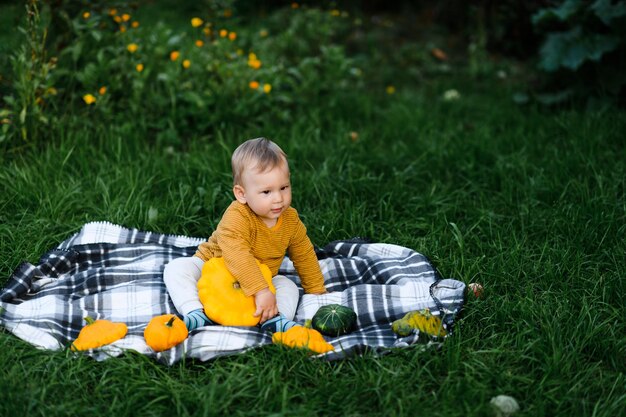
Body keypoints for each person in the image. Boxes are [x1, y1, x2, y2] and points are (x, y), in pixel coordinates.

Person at [163, 137, 327, 333]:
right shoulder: (237, 216)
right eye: (266, 192)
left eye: (284, 187)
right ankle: (195, 311)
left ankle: (273, 317)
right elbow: (237, 255)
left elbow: (304, 253)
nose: (278, 198)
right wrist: (261, 290)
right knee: (177, 268)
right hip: (214, 267)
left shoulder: (290, 220)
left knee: (288, 286)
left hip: (261, 281)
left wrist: (316, 290)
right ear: (242, 194)